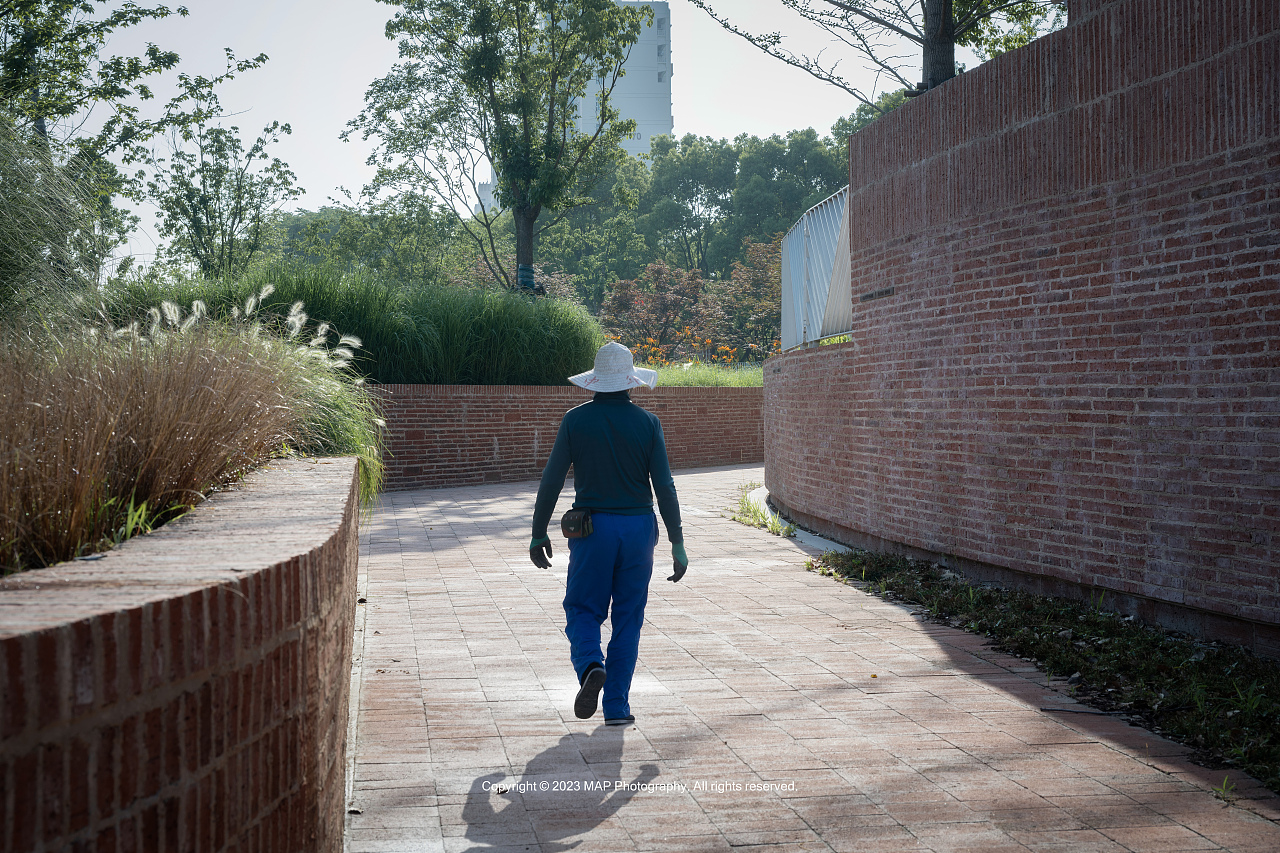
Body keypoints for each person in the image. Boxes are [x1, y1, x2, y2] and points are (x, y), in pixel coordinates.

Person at [529, 342, 688, 727]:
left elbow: (552, 479)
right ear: (630, 382)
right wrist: (678, 542)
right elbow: (664, 486)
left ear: (595, 382)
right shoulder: (648, 423)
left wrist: (538, 533)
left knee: (583, 609)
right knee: (628, 618)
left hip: (592, 530)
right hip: (638, 530)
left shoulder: (575, 420)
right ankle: (616, 706)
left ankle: (589, 667)